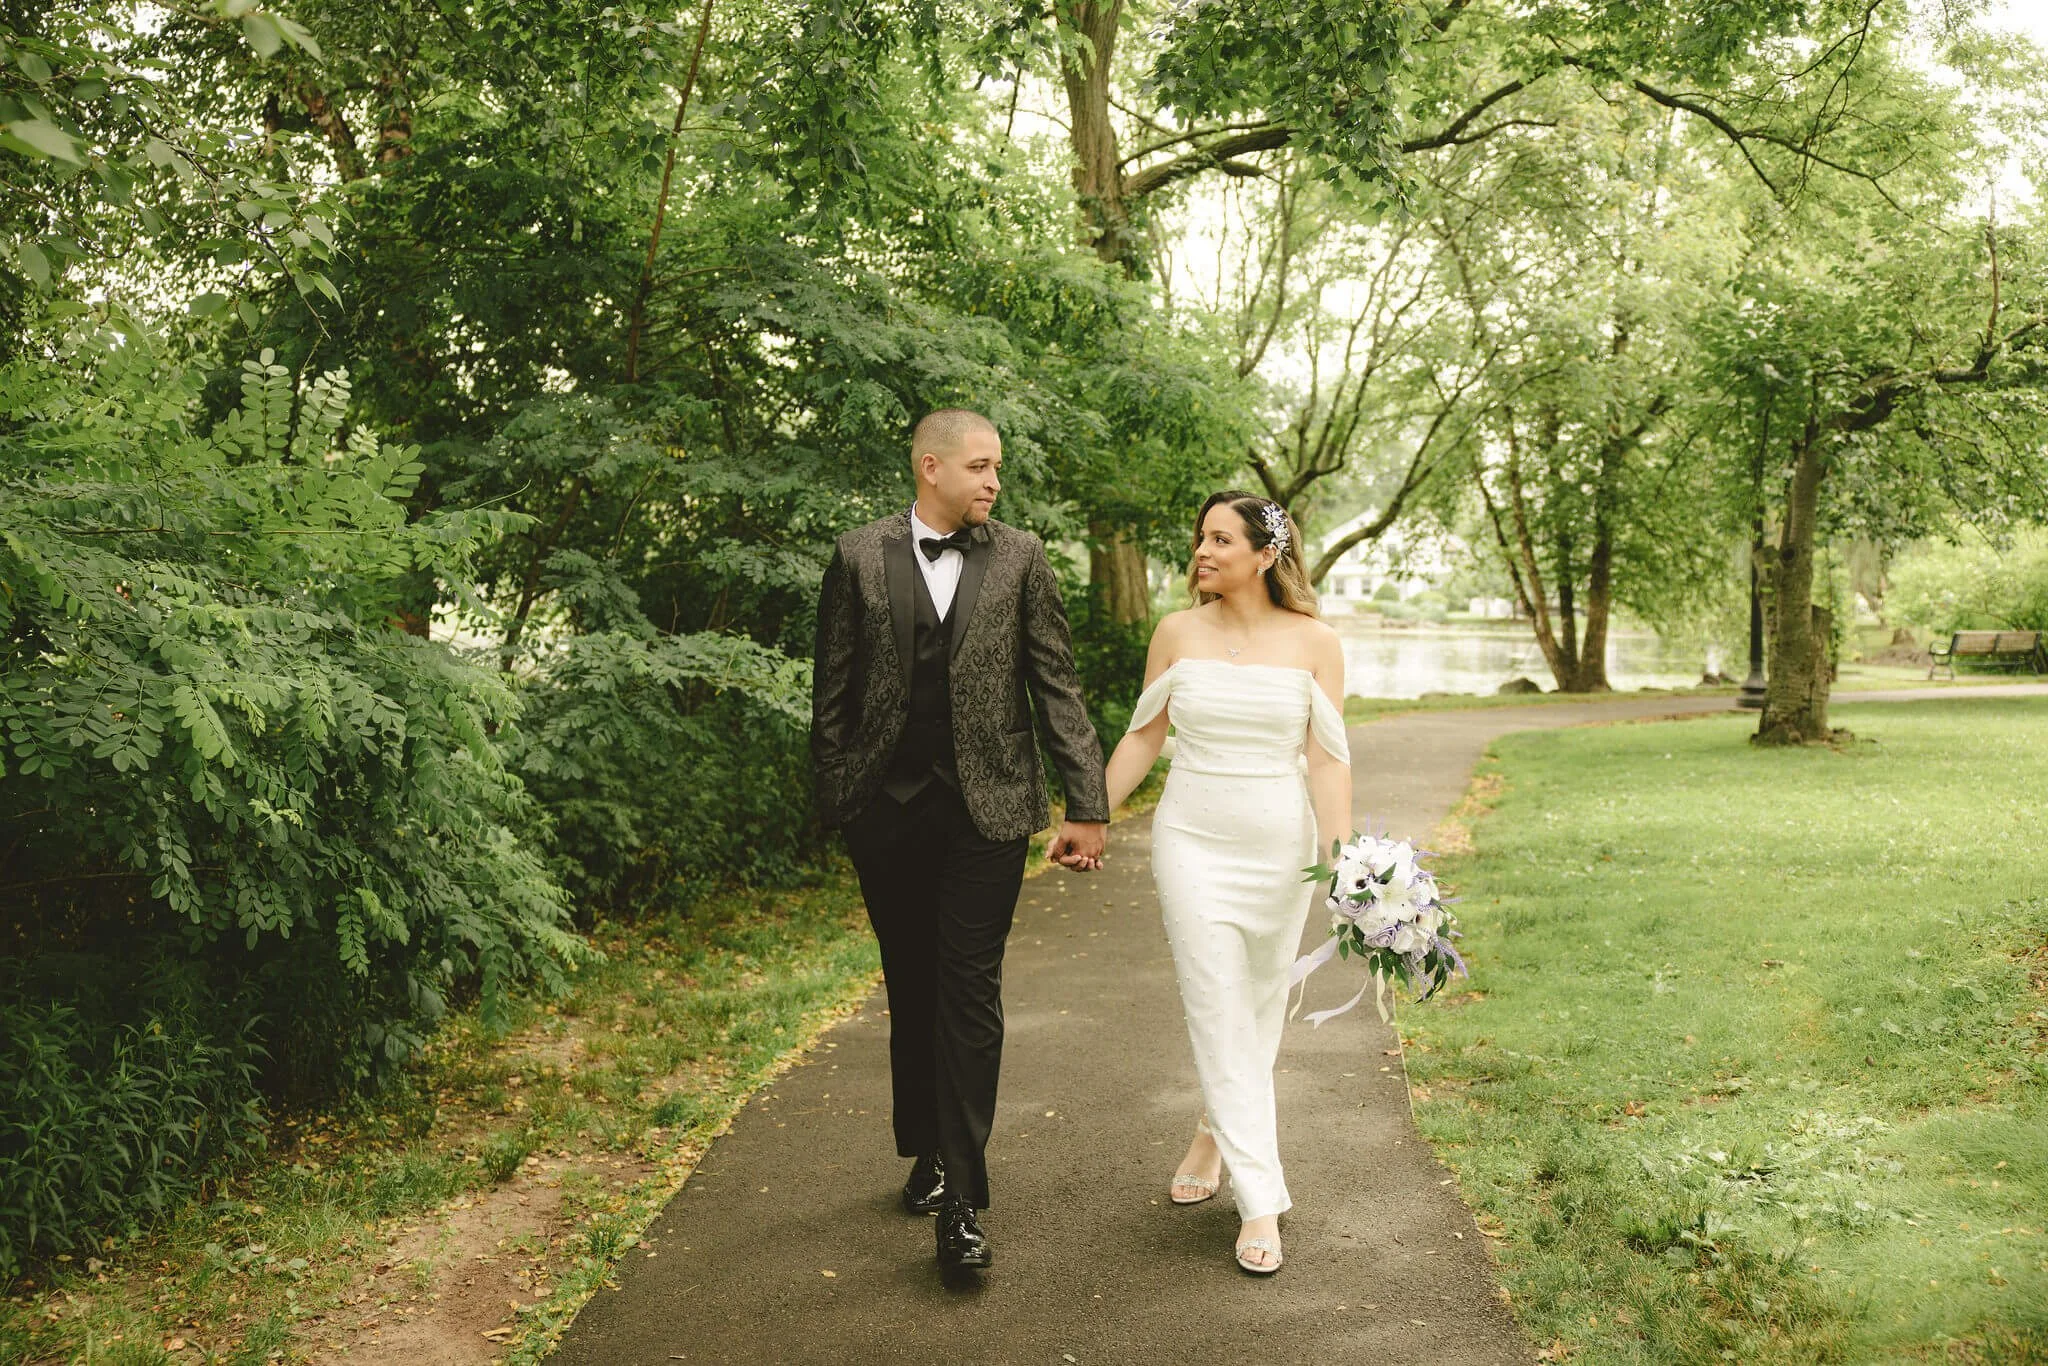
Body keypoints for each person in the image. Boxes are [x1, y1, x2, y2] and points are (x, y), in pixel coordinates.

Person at [810, 408, 1109, 1273]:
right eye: (980, 466)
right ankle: (929, 1149)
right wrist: (838, 805)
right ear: (929, 467)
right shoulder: (857, 554)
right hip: (886, 810)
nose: (994, 481)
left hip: (989, 808)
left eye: (999, 468)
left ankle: (964, 1206)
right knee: (911, 983)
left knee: (968, 992)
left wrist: (1082, 800)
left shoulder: (1020, 557)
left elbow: (1057, 685)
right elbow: (830, 693)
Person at [1099, 490, 1351, 1274]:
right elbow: (1144, 736)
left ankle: (1214, 1132)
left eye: (1220, 539)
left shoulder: (1316, 643)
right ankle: (1262, 1198)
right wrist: (1088, 816)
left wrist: (1343, 859)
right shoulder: (1176, 632)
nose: (1201, 552)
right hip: (1191, 840)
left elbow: (1327, 756)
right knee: (1214, 998)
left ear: (1265, 555)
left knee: (1259, 1000)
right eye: (1199, 538)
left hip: (1280, 844)